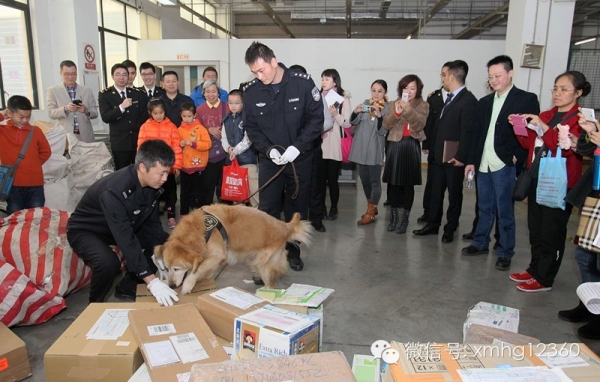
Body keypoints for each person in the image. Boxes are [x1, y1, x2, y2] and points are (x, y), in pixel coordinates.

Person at [242, 41, 324, 272]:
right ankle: (267, 256)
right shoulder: (251, 91)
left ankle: (293, 252)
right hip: (271, 161)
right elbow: (251, 127)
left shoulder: (302, 83)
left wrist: (298, 147)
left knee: (296, 207)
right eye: (254, 72)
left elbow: (316, 118)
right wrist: (268, 149)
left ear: (273, 62)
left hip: (300, 159)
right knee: (267, 209)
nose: (259, 76)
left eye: (262, 70)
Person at [67, 139, 179, 305]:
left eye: (167, 173)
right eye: (161, 173)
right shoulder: (114, 191)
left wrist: (161, 253)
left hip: (121, 225)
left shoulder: (150, 185)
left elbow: (152, 225)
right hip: (87, 230)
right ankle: (94, 306)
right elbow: (126, 239)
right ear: (142, 167)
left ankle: (128, 285)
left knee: (162, 242)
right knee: (108, 263)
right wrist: (152, 281)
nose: (164, 178)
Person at [509, 71, 590, 292]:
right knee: (535, 228)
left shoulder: (580, 121)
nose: (557, 93)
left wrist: (543, 128)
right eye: (555, 88)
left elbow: (563, 147)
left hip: (560, 182)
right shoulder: (545, 114)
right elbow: (529, 146)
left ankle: (545, 278)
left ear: (578, 92)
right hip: (537, 176)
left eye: (564, 89)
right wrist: (520, 127)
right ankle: (534, 269)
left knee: (551, 231)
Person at [461, 55, 540, 271]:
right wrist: (471, 161)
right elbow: (477, 134)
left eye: (498, 75)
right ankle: (480, 242)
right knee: (484, 206)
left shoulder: (525, 99)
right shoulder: (485, 102)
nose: (494, 80)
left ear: (510, 73)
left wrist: (517, 156)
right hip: (484, 163)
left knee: (504, 209)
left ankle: (505, 251)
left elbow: (531, 133)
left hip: (505, 163)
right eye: (490, 76)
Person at [413, 60, 478, 243]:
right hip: (438, 156)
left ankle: (450, 228)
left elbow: (468, 131)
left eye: (443, 74)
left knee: (454, 195)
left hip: (454, 159)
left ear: (451, 76)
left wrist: (461, 156)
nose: (441, 78)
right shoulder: (446, 98)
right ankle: (433, 224)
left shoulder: (468, 100)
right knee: (435, 193)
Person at [559, 116, 600, 339]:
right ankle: (589, 303)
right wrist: (590, 131)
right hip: (594, 195)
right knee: (585, 255)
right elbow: (586, 147)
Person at [382, 75, 430, 234]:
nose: (408, 91)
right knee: (394, 184)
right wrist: (396, 113)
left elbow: (419, 125)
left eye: (412, 88)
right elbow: (386, 125)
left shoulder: (422, 105)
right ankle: (394, 217)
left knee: (408, 185)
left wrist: (408, 110)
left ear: (418, 89)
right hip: (395, 145)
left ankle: (405, 219)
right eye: (405, 88)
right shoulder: (394, 104)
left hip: (411, 145)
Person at [0, 95, 51, 215]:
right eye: (21, 117)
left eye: (28, 117)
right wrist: (2, 115)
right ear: (9, 113)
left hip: (36, 184)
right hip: (13, 185)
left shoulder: (36, 131)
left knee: (36, 216)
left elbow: (46, 152)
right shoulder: (3, 131)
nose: (25, 120)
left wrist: (33, 163)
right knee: (15, 217)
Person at [349, 79, 389, 225]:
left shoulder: (388, 107)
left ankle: (371, 211)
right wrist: (355, 111)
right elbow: (353, 122)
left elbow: (383, 130)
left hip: (374, 148)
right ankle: (371, 205)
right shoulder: (366, 104)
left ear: (385, 92)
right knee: (364, 180)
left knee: (374, 181)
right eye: (374, 90)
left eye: (380, 91)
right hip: (360, 147)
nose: (376, 94)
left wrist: (379, 116)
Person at [137, 98, 183, 229]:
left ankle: (171, 215)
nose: (158, 115)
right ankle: (153, 216)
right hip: (152, 168)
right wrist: (143, 165)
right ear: (150, 113)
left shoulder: (171, 127)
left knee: (170, 192)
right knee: (152, 193)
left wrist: (177, 165)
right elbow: (141, 147)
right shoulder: (145, 127)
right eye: (155, 113)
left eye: (161, 112)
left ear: (165, 112)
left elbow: (176, 147)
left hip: (168, 167)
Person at [417, 63, 451, 224]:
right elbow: (429, 123)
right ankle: (428, 212)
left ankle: (452, 219)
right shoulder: (434, 97)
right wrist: (426, 144)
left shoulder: (464, 97)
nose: (442, 77)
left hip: (452, 148)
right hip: (435, 146)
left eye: (445, 74)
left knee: (452, 186)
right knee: (432, 183)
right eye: (441, 74)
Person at [99, 63, 148, 170]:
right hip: (120, 143)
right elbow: (106, 117)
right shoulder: (105, 95)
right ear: (112, 76)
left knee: (140, 172)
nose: (121, 77)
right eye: (118, 74)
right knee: (122, 174)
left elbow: (144, 116)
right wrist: (121, 107)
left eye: (124, 74)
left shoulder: (137, 93)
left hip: (138, 142)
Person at [319, 68, 351, 224]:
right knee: (319, 181)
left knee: (332, 180)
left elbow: (347, 123)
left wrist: (335, 115)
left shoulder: (343, 98)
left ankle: (334, 208)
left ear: (335, 81)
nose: (323, 82)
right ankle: (321, 208)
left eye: (327, 79)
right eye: (322, 79)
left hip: (334, 144)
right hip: (319, 143)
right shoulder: (317, 97)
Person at [221, 89, 259, 208]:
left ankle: (259, 217)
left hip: (248, 161)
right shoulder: (226, 119)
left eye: (237, 103)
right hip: (233, 162)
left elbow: (248, 140)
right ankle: (240, 221)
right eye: (231, 102)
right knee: (237, 193)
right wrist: (228, 149)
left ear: (243, 103)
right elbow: (223, 137)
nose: (233, 106)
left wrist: (236, 151)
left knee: (254, 191)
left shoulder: (247, 117)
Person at [195, 79, 229, 206]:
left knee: (224, 187)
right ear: (203, 94)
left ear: (218, 92)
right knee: (207, 187)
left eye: (214, 91)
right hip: (208, 155)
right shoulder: (199, 110)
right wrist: (208, 129)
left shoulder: (227, 107)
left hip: (225, 153)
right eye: (207, 92)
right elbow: (196, 131)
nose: (211, 94)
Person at [46, 60, 98, 142]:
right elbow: (51, 113)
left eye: (73, 74)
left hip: (85, 135)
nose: (70, 77)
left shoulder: (87, 90)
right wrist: (66, 109)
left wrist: (85, 110)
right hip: (65, 136)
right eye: (67, 74)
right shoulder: (53, 91)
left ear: (76, 74)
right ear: (61, 73)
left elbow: (95, 113)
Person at [178, 102, 211, 217]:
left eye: (189, 116)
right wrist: (180, 144)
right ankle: (183, 213)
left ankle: (202, 213)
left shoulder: (201, 129)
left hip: (198, 166)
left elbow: (207, 144)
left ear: (194, 115)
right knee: (184, 192)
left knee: (199, 191)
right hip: (184, 166)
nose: (186, 119)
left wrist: (193, 144)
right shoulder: (179, 130)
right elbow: (175, 146)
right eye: (184, 116)